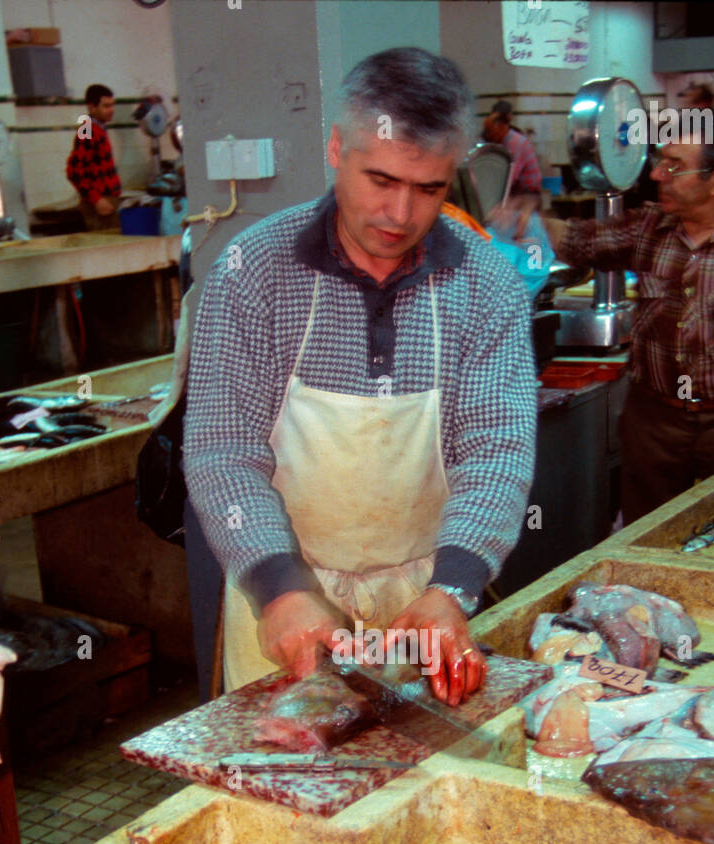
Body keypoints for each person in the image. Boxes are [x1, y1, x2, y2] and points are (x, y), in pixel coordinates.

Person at [184, 47, 536, 706]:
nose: (399, 216)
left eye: (427, 189)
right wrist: (279, 588)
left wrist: (454, 585)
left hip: (424, 605)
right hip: (285, 606)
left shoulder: (487, 284)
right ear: (336, 148)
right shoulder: (252, 272)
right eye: (379, 179)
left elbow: (496, 453)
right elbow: (223, 453)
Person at [541, 124, 714, 524]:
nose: (655, 174)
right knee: (648, 531)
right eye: (658, 161)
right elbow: (577, 241)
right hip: (653, 420)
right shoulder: (649, 226)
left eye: (673, 166)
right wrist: (525, 218)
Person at [66, 84, 122, 231]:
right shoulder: (87, 130)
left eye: (112, 105)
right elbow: (74, 171)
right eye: (106, 106)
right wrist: (96, 199)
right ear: (91, 107)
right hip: (99, 205)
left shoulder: (99, 129)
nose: (111, 110)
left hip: (108, 200)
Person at [482, 99, 543, 234]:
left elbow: (509, 177)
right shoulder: (495, 141)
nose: (492, 135)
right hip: (511, 192)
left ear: (503, 126)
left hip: (527, 194)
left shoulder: (516, 142)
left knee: (516, 229)